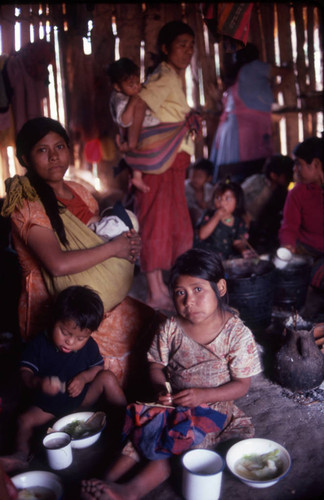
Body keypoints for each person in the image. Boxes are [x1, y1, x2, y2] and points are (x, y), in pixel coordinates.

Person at [81, 248, 262, 500]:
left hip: (213, 408)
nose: (189, 301)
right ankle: (104, 481)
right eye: (180, 293)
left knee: (182, 441)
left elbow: (242, 385)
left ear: (220, 288)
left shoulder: (237, 335)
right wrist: (160, 389)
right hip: (173, 400)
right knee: (142, 427)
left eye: (198, 290)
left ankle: (131, 491)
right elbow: (155, 365)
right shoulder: (171, 327)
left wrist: (203, 396)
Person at [0, 117, 141, 342]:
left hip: (94, 294)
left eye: (59, 147)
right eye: (42, 150)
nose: (54, 156)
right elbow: (57, 265)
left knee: (150, 332)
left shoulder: (79, 191)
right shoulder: (26, 202)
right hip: (61, 315)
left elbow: (98, 236)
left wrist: (129, 242)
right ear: (26, 158)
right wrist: (116, 247)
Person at [116, 21, 199, 311]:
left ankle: (161, 286)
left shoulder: (171, 76)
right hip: (159, 164)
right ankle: (154, 291)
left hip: (170, 164)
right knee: (155, 224)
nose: (188, 51)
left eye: (191, 45)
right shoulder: (164, 75)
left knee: (173, 224)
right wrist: (135, 144)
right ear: (165, 49)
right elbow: (138, 104)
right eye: (181, 45)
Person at [0, 285, 126, 471]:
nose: (70, 341)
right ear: (54, 320)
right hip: (49, 408)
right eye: (65, 333)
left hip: (82, 400)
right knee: (24, 421)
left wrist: (84, 378)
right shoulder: (39, 344)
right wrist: (39, 383)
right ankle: (21, 455)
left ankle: (127, 420)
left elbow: (97, 367)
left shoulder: (89, 346)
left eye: (80, 338)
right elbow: (24, 373)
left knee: (107, 376)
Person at [210, 43, 290, 183]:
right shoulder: (255, 67)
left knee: (233, 177)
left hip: (230, 132)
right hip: (247, 130)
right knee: (253, 173)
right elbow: (285, 72)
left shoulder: (237, 75)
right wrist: (279, 85)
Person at [279, 137, 324, 319]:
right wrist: (287, 247)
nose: (294, 170)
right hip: (308, 252)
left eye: (298, 164)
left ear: (316, 164)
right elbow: (289, 227)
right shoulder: (297, 193)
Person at [107, 58, 160, 193]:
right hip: (130, 133)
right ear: (118, 87)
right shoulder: (119, 99)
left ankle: (137, 175)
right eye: (131, 85)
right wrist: (134, 100)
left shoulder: (129, 92)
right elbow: (125, 121)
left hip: (137, 130)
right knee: (136, 150)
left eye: (138, 82)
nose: (137, 87)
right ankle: (137, 177)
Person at [242, 154, 294, 253]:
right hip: (245, 221)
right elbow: (238, 194)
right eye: (286, 175)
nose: (290, 178)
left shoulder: (283, 192)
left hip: (263, 226)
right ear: (273, 175)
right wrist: (242, 213)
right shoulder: (256, 181)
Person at [196, 181, 252, 260]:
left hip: (224, 260)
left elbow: (238, 242)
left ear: (237, 202)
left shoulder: (239, 222)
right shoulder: (209, 215)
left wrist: (243, 250)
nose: (222, 202)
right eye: (218, 198)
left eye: (227, 198)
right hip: (205, 257)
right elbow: (202, 235)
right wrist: (217, 216)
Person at [185, 158, 214, 227]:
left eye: (199, 176)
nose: (195, 179)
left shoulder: (209, 189)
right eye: (192, 175)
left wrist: (206, 205)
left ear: (209, 178)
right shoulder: (185, 188)